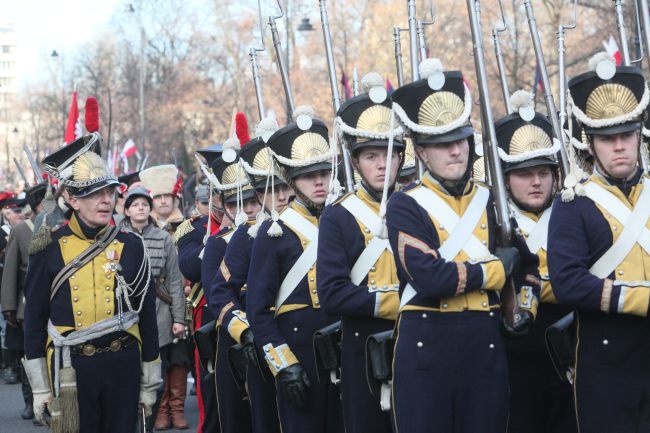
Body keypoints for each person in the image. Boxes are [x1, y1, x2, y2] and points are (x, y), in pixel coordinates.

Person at [385, 59, 538, 433]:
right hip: (427, 345)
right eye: (441, 144)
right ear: (421, 152)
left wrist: (526, 312)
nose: (455, 151)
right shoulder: (405, 204)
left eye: (459, 141)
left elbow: (529, 270)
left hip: (485, 345)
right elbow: (429, 276)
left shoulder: (491, 200)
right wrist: (496, 271)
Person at [22, 133, 161, 432]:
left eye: (110, 193)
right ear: (72, 199)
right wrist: (40, 388)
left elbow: (146, 316)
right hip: (73, 370)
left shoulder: (132, 244)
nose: (106, 200)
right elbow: (34, 319)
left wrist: (149, 381)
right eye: (95, 194)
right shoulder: (47, 246)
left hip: (124, 365)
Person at [548, 53, 650, 433]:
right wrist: (639, 298)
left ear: (640, 136)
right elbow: (567, 280)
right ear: (590, 144)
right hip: (608, 357)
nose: (619, 146)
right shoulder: (573, 203)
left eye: (626, 135)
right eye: (608, 139)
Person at [247, 107, 343, 433]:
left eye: (324, 173)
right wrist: (283, 364)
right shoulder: (274, 232)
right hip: (299, 353)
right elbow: (258, 312)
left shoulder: (345, 220)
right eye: (307, 175)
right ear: (290, 179)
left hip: (345, 345)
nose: (319, 182)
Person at [317, 73, 403, 433]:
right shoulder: (338, 215)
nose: (382, 164)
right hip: (362, 342)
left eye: (390, 154)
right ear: (355, 163)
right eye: (371, 155)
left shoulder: (418, 206)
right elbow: (332, 291)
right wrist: (394, 302)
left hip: (417, 338)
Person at [493, 93, 577, 433]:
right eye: (525, 173)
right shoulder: (494, 224)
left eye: (543, 172)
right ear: (506, 178)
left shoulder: (573, 213)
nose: (536, 181)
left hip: (570, 342)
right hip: (514, 348)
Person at [209, 126, 292, 433]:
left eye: (286, 187)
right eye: (272, 190)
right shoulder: (247, 234)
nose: (282, 196)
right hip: (264, 345)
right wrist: (245, 333)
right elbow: (220, 293)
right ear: (260, 194)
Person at [120, 186, 187, 430]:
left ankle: (156, 410)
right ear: (126, 210)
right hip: (125, 309)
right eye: (135, 204)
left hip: (159, 309)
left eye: (145, 204)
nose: (141, 208)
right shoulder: (115, 236)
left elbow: (175, 281)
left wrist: (179, 318)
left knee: (159, 365)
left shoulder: (163, 238)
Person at [204, 145, 260, 433]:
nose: (248, 209)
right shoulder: (218, 243)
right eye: (238, 203)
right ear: (226, 207)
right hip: (235, 335)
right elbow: (217, 293)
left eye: (253, 200)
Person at [175, 143, 226, 433]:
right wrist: (215, 238)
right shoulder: (193, 229)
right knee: (212, 391)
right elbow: (190, 267)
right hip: (208, 316)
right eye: (212, 200)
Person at [0, 182, 48, 423]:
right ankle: (32, 402)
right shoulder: (20, 231)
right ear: (39, 205)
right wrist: (9, 306)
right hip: (28, 302)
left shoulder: (61, 227)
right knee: (31, 354)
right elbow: (10, 271)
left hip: (56, 301)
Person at [140, 164, 185, 234]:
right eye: (157, 197)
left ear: (173, 198)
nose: (163, 201)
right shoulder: (142, 228)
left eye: (167, 195)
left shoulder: (187, 227)